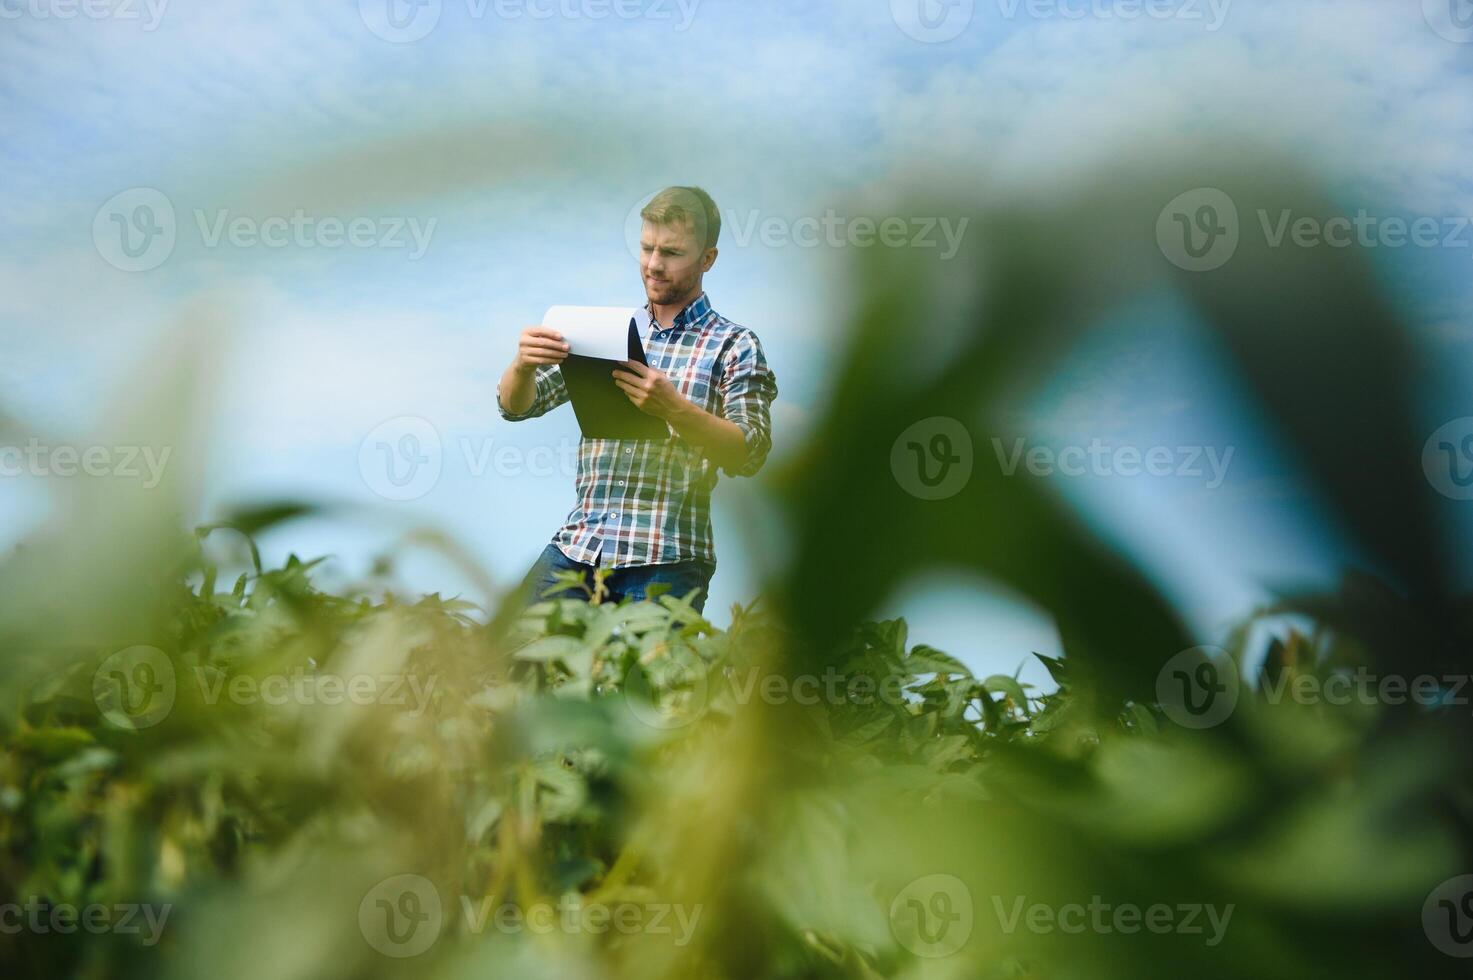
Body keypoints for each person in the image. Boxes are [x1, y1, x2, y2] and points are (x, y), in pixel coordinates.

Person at [497, 186, 777, 613]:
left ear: (707, 259)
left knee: (643, 682)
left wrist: (674, 409)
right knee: (501, 662)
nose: (653, 264)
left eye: (672, 252)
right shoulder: (604, 331)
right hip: (579, 546)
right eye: (646, 248)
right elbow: (516, 408)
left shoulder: (734, 345)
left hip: (667, 558)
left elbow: (750, 451)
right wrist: (522, 364)